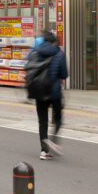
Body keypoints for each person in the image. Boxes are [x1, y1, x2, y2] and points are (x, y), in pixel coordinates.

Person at [26, 31, 68, 160]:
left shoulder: (36, 52)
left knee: (42, 122)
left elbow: (28, 67)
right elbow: (64, 74)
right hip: (54, 92)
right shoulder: (59, 54)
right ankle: (54, 140)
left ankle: (44, 151)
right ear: (54, 41)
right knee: (58, 119)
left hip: (39, 91)